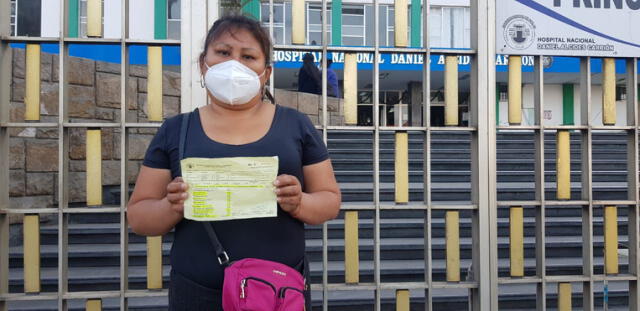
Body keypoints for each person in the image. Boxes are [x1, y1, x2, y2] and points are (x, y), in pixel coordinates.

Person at [127, 15, 341, 310]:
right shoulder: (176, 130)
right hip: (197, 294)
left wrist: (299, 202)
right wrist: (171, 205)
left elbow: (329, 201)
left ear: (265, 72)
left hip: (278, 292)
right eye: (224, 52)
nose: (234, 64)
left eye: (248, 56)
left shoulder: (296, 125)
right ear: (204, 62)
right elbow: (138, 217)